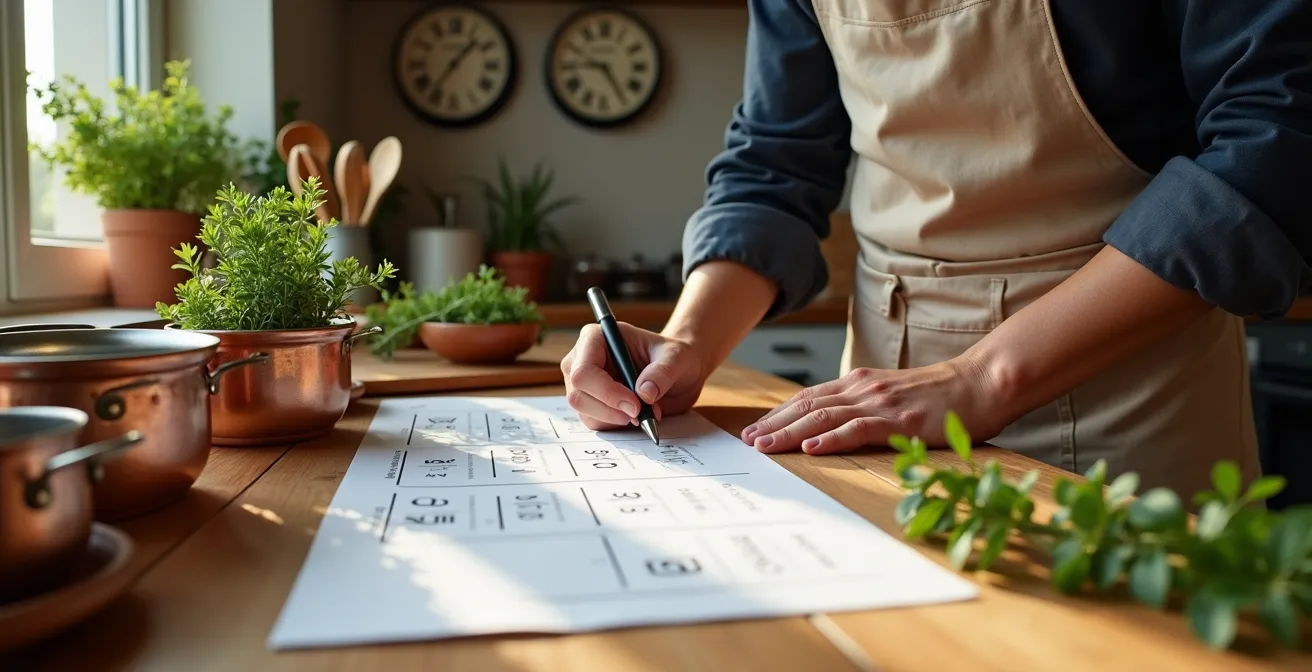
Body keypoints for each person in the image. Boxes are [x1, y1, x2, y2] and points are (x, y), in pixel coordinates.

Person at [560, 0, 1312, 498]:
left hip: (1134, 394)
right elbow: (773, 166)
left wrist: (979, 377)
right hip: (881, 406)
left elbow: (1276, 143)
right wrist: (681, 346)